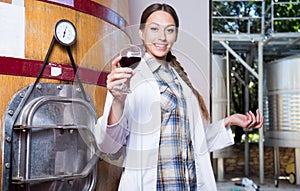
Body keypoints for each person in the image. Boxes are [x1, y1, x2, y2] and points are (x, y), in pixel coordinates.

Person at [94, 3, 264, 191]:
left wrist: (229, 121)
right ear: (141, 33)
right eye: (154, 29)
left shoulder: (182, 83)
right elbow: (108, 145)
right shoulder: (130, 77)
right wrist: (118, 100)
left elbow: (192, 141)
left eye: (170, 30)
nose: (162, 37)